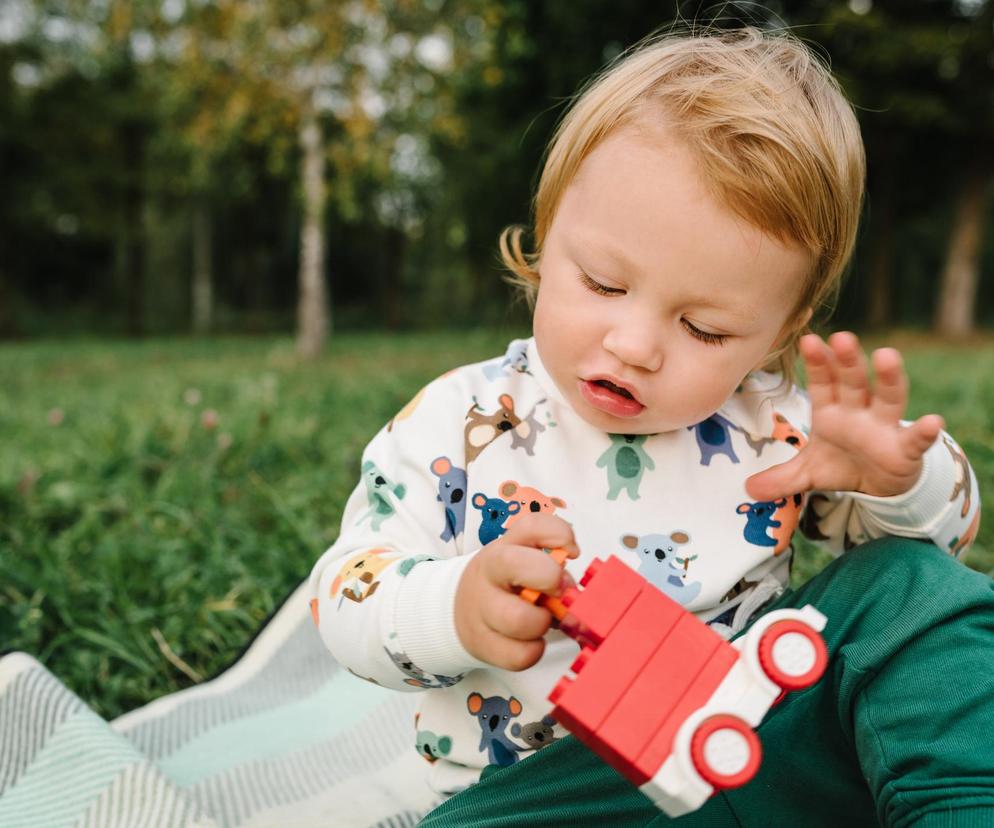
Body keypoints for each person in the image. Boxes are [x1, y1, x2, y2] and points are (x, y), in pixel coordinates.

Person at [307, 26, 987, 822]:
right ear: (546, 229)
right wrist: (456, 606)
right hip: (558, 790)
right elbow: (347, 592)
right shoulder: (459, 424)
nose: (634, 346)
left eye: (704, 329)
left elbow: (937, 557)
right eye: (601, 283)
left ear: (776, 331)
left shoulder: (782, 430)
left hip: (761, 729)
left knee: (913, 587)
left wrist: (901, 486)